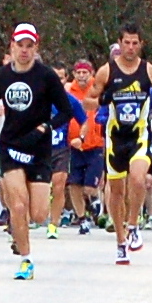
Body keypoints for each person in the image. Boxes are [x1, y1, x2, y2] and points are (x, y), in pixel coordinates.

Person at [0, 23, 74, 280]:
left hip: (38, 149)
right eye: (20, 46)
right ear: (12, 46)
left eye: (30, 46)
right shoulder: (2, 76)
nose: (24, 51)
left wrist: (44, 128)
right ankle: (26, 260)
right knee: (18, 205)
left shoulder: (46, 76)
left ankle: (20, 232)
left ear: (36, 48)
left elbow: (66, 112)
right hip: (10, 145)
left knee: (37, 214)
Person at [88, 23, 152, 263]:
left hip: (139, 136)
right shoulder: (107, 71)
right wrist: (103, 98)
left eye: (135, 43)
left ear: (141, 44)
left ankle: (133, 225)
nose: (131, 48)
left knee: (138, 178)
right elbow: (88, 102)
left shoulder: (149, 71)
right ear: (119, 43)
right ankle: (120, 241)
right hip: (114, 138)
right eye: (127, 43)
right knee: (116, 191)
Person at [48, 65, 87, 238]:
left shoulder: (70, 101)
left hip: (61, 149)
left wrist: (81, 137)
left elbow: (84, 121)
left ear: (66, 80)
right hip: (39, 149)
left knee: (59, 184)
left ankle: (53, 225)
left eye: (61, 78)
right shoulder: (39, 98)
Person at [66, 60, 104, 234]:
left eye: (85, 72)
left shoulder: (97, 90)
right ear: (73, 74)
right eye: (78, 72)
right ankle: (82, 218)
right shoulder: (68, 91)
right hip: (73, 145)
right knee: (74, 184)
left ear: (91, 73)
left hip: (94, 145)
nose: (81, 76)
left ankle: (94, 200)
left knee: (89, 186)